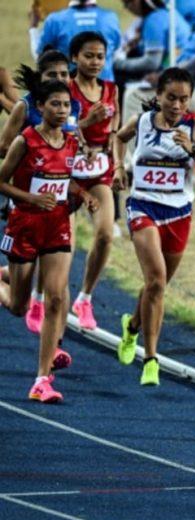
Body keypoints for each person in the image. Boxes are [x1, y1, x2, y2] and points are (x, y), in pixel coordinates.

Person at [112, 67, 195, 386]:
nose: (176, 105)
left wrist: (194, 151)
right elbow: (118, 138)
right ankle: (151, 358)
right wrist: (119, 166)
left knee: (155, 286)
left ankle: (132, 326)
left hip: (178, 214)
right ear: (158, 96)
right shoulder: (142, 122)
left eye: (183, 99)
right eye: (171, 98)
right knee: (156, 281)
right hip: (143, 207)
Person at [0, 80, 98, 402]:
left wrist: (83, 194)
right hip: (25, 224)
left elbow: (63, 182)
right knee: (18, 305)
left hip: (56, 225)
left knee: (55, 299)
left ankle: (42, 379)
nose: (61, 111)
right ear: (39, 107)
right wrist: (30, 198)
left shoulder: (71, 143)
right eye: (54, 104)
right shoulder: (25, 142)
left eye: (66, 105)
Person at [0, 50, 83, 338]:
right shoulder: (26, 109)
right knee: (18, 302)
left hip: (60, 207)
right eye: (53, 75)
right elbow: (3, 149)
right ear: (41, 78)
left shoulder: (71, 109)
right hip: (25, 207)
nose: (60, 79)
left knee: (58, 285)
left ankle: (55, 345)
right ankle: (18, 285)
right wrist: (33, 146)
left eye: (64, 74)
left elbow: (73, 155)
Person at [68, 31, 120, 330]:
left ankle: (84, 297)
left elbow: (114, 125)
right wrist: (86, 123)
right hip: (66, 171)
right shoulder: (65, 89)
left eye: (100, 56)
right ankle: (24, 281)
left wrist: (116, 153)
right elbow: (60, 126)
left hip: (99, 169)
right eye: (88, 55)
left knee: (104, 234)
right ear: (75, 57)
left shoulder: (111, 89)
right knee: (58, 245)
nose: (95, 62)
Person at [117, 0, 192, 126]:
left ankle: (127, 139)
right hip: (177, 71)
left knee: (120, 84)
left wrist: (118, 63)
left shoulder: (154, 20)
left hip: (170, 76)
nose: (125, 8)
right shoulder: (166, 12)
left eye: (126, 3)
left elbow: (151, 62)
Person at [33, 0, 121, 81]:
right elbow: (117, 56)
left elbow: (40, 59)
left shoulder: (55, 20)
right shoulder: (110, 18)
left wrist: (33, 28)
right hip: (106, 93)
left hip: (69, 92)